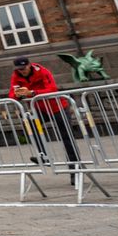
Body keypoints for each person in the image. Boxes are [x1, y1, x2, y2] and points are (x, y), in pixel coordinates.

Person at [8, 56, 80, 184]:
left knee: (67, 137)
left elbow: (52, 89)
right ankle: (43, 156)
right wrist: (18, 95)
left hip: (57, 107)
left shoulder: (42, 71)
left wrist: (32, 92)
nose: (22, 71)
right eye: (19, 69)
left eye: (24, 68)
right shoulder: (16, 75)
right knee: (30, 125)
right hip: (40, 109)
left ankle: (75, 171)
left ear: (29, 65)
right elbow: (12, 93)